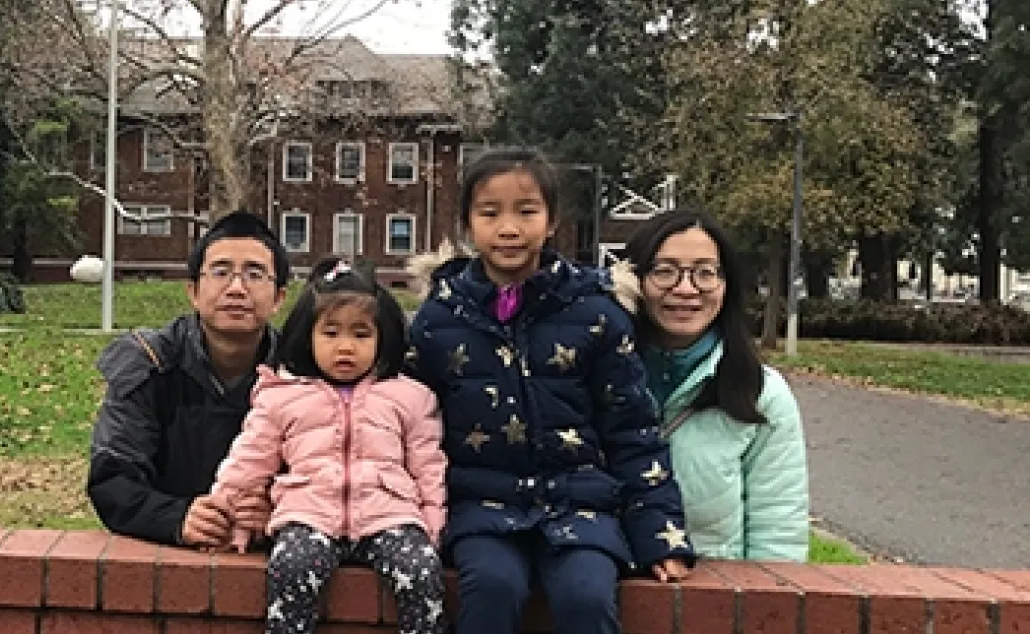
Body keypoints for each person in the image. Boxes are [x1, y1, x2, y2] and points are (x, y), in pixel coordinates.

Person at [404, 147, 695, 634]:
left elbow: (633, 431)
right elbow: (411, 428)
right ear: (468, 225)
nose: (509, 228)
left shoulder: (597, 313)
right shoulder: (439, 320)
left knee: (587, 597)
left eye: (527, 211)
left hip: (580, 506)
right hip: (480, 506)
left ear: (553, 220)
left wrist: (659, 535)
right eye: (490, 213)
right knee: (492, 590)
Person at [207, 257, 447, 634]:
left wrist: (433, 525)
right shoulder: (281, 397)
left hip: (389, 515)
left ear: (383, 338)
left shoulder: (409, 397)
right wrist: (226, 517)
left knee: (421, 574)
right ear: (308, 337)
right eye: (331, 333)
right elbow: (248, 461)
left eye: (361, 334)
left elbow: (428, 466)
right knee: (291, 569)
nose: (345, 347)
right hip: (309, 515)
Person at [86, 211, 291, 549]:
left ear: (279, 298)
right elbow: (113, 477)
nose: (237, 288)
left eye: (254, 274)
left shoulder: (303, 373)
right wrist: (177, 518)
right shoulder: (149, 363)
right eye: (221, 272)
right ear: (194, 291)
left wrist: (283, 510)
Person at [620, 209, 810, 562]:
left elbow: (778, 535)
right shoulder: (590, 380)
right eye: (665, 271)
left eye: (705, 273)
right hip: (598, 599)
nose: (686, 288)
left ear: (726, 286)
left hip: (713, 606)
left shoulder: (762, 394)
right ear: (633, 281)